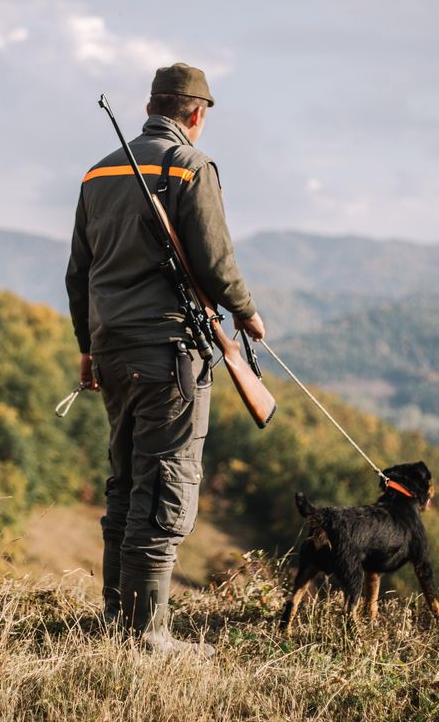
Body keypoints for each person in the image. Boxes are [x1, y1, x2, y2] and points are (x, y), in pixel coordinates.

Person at [65, 62, 265, 654]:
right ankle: (147, 636)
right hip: (169, 351)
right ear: (196, 115)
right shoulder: (191, 166)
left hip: (110, 346)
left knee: (126, 483)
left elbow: (80, 273)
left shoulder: (97, 172)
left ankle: (115, 624)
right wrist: (246, 312)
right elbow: (214, 258)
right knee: (167, 482)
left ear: (153, 105)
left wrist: (86, 347)